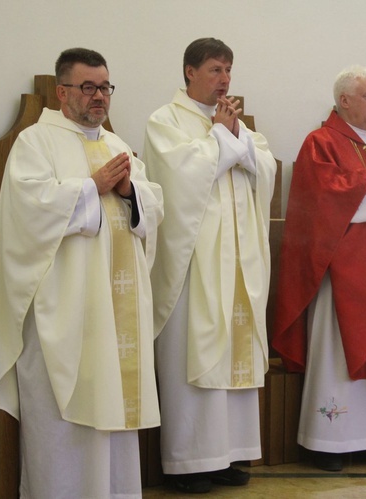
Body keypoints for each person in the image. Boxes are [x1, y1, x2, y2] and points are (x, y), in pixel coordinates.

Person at [0, 48, 164, 498]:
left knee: (114, 419)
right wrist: (91, 188)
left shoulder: (119, 146)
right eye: (88, 87)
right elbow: (28, 212)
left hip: (117, 316)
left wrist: (130, 192)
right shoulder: (36, 142)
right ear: (62, 92)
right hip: (61, 318)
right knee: (63, 425)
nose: (99, 96)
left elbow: (154, 208)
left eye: (105, 86)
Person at [272, 65, 366, 472]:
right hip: (341, 273)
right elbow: (322, 200)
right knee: (338, 355)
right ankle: (327, 442)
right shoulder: (320, 142)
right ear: (345, 101)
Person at [143, 38, 277, 494]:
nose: (225, 80)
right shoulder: (166, 121)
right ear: (189, 72)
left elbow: (265, 167)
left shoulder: (236, 124)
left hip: (238, 261)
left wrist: (234, 139)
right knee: (194, 355)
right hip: (194, 265)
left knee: (234, 355)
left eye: (228, 71)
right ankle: (190, 461)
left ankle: (228, 456)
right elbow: (179, 178)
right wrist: (223, 139)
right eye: (216, 70)